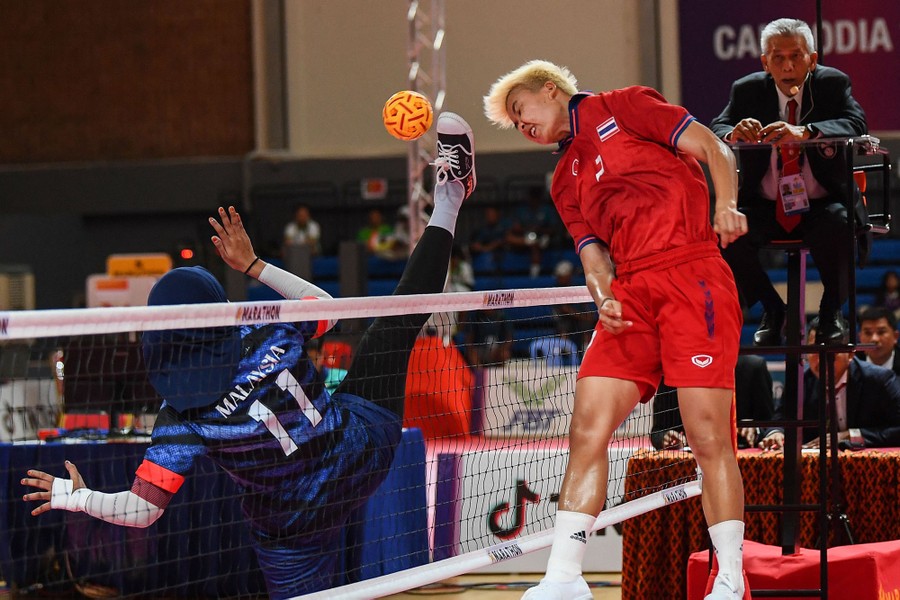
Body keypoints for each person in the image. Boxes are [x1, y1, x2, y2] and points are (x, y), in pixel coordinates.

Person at [21, 112, 477, 598]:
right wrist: (255, 265)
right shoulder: (266, 331)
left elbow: (143, 510)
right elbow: (329, 310)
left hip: (290, 527)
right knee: (398, 318)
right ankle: (449, 197)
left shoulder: (180, 416)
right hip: (358, 456)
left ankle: (450, 196)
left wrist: (76, 495)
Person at [484, 60, 748, 600]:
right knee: (587, 427)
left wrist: (727, 205)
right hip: (630, 295)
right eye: (513, 125)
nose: (521, 125)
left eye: (520, 110)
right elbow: (593, 259)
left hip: (691, 272)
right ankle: (563, 576)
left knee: (707, 436)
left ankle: (729, 578)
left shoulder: (624, 106)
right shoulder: (563, 180)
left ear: (549, 90)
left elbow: (715, 148)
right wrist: (604, 298)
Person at [709, 17, 868, 346]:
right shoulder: (747, 90)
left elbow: (856, 122)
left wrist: (806, 132)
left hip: (822, 202)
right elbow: (717, 126)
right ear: (765, 62)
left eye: (796, 56)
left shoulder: (832, 84)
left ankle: (829, 313)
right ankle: (772, 308)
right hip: (765, 203)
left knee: (839, 223)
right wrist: (733, 133)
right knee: (727, 232)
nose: (788, 65)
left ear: (812, 58)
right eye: (777, 57)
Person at [760, 317, 900, 450]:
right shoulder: (800, 380)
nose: (822, 360)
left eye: (831, 352)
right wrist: (776, 433)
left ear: (850, 354)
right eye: (814, 350)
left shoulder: (879, 379)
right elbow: (781, 419)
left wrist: (852, 435)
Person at [651, 355, 777, 451]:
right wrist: (665, 438)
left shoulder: (753, 367)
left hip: (742, 457)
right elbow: (658, 431)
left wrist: (755, 430)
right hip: (691, 461)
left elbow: (770, 425)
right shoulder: (673, 371)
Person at [858, 306, 900, 377]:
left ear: (895, 336)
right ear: (860, 337)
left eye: (881, 332)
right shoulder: (849, 364)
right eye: (868, 333)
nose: (874, 339)